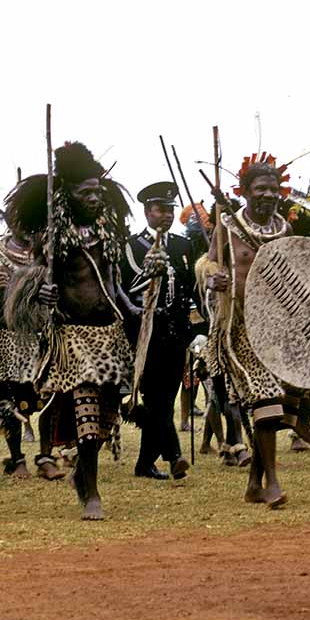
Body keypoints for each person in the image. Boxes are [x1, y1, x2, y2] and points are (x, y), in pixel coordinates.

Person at [6, 141, 136, 520]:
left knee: (108, 415)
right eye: (85, 193)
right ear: (68, 193)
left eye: (98, 191)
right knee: (87, 418)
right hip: (73, 338)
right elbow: (30, 282)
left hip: (108, 335)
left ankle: (83, 473)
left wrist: (134, 309)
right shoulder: (52, 236)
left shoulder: (106, 232)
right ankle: (92, 494)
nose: (94, 198)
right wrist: (40, 291)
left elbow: (113, 285)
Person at [203, 154, 310, 508]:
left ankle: (253, 484)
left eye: (274, 189)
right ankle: (272, 482)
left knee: (272, 408)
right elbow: (210, 262)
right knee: (265, 402)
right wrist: (214, 278)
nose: (269, 195)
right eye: (261, 189)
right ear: (244, 192)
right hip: (239, 328)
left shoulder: (284, 229)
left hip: (275, 329)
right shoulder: (227, 226)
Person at [120, 181, 194, 481]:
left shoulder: (182, 245)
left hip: (177, 332)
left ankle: (144, 463)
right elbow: (125, 290)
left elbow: (189, 289)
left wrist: (197, 328)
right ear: (147, 212)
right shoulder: (133, 246)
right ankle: (174, 455)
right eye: (160, 209)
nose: (166, 215)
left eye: (170, 209)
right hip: (146, 334)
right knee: (154, 398)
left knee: (166, 398)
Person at [0, 216, 58, 480]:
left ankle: (47, 457)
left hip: (44, 335)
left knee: (51, 396)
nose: (26, 226)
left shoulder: (49, 253)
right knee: (8, 401)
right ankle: (17, 459)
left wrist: (52, 295)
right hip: (7, 336)